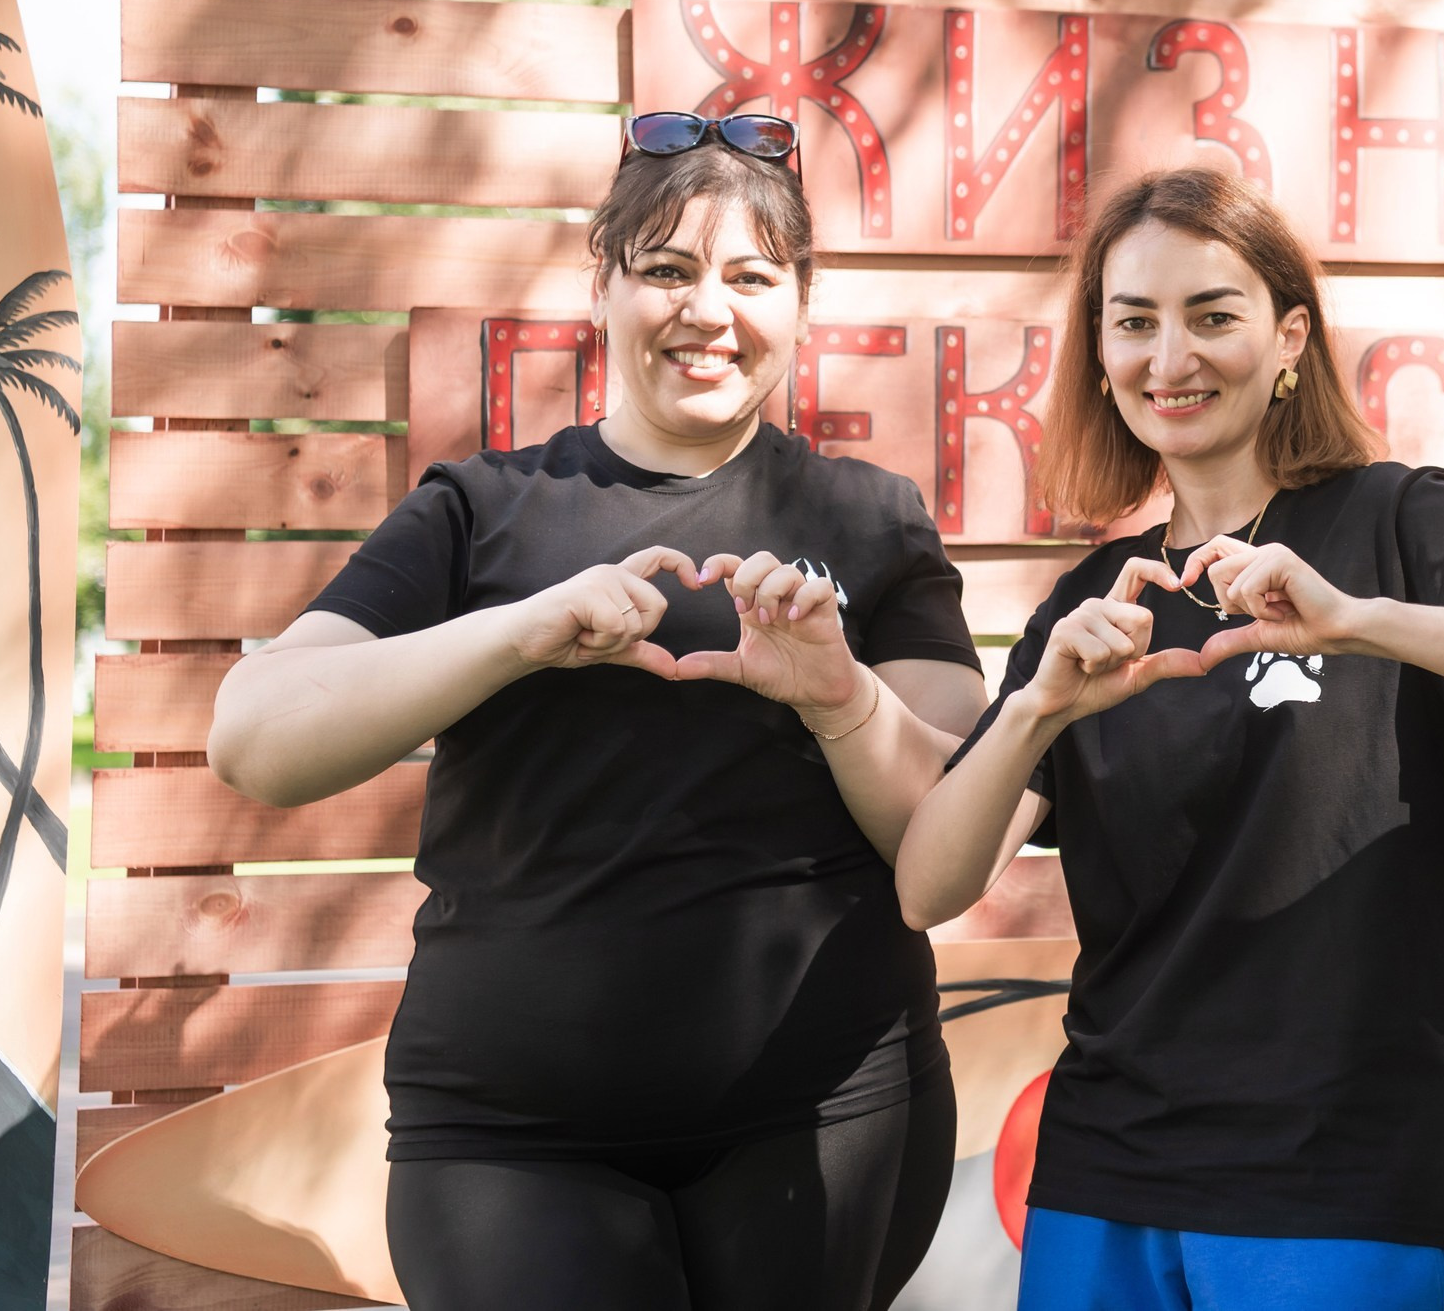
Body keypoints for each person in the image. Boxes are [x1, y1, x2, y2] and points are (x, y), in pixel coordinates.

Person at [206, 114, 988, 1311]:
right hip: (509, 1135)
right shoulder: (480, 510)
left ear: (801, 300)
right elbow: (254, 739)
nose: (706, 311)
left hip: (828, 1115)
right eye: (666, 270)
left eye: (751, 277)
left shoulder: (872, 519)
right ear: (603, 285)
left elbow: (949, 840)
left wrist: (840, 693)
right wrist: (515, 634)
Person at [893, 165, 1444, 1311]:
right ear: (1099, 353)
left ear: (1288, 334)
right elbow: (928, 882)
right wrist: (1033, 712)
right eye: (1135, 322)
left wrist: (1356, 622)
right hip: (1104, 1166)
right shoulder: (1095, 599)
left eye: (1213, 315)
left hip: (1334, 1174)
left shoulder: (1394, 520)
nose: (1171, 358)